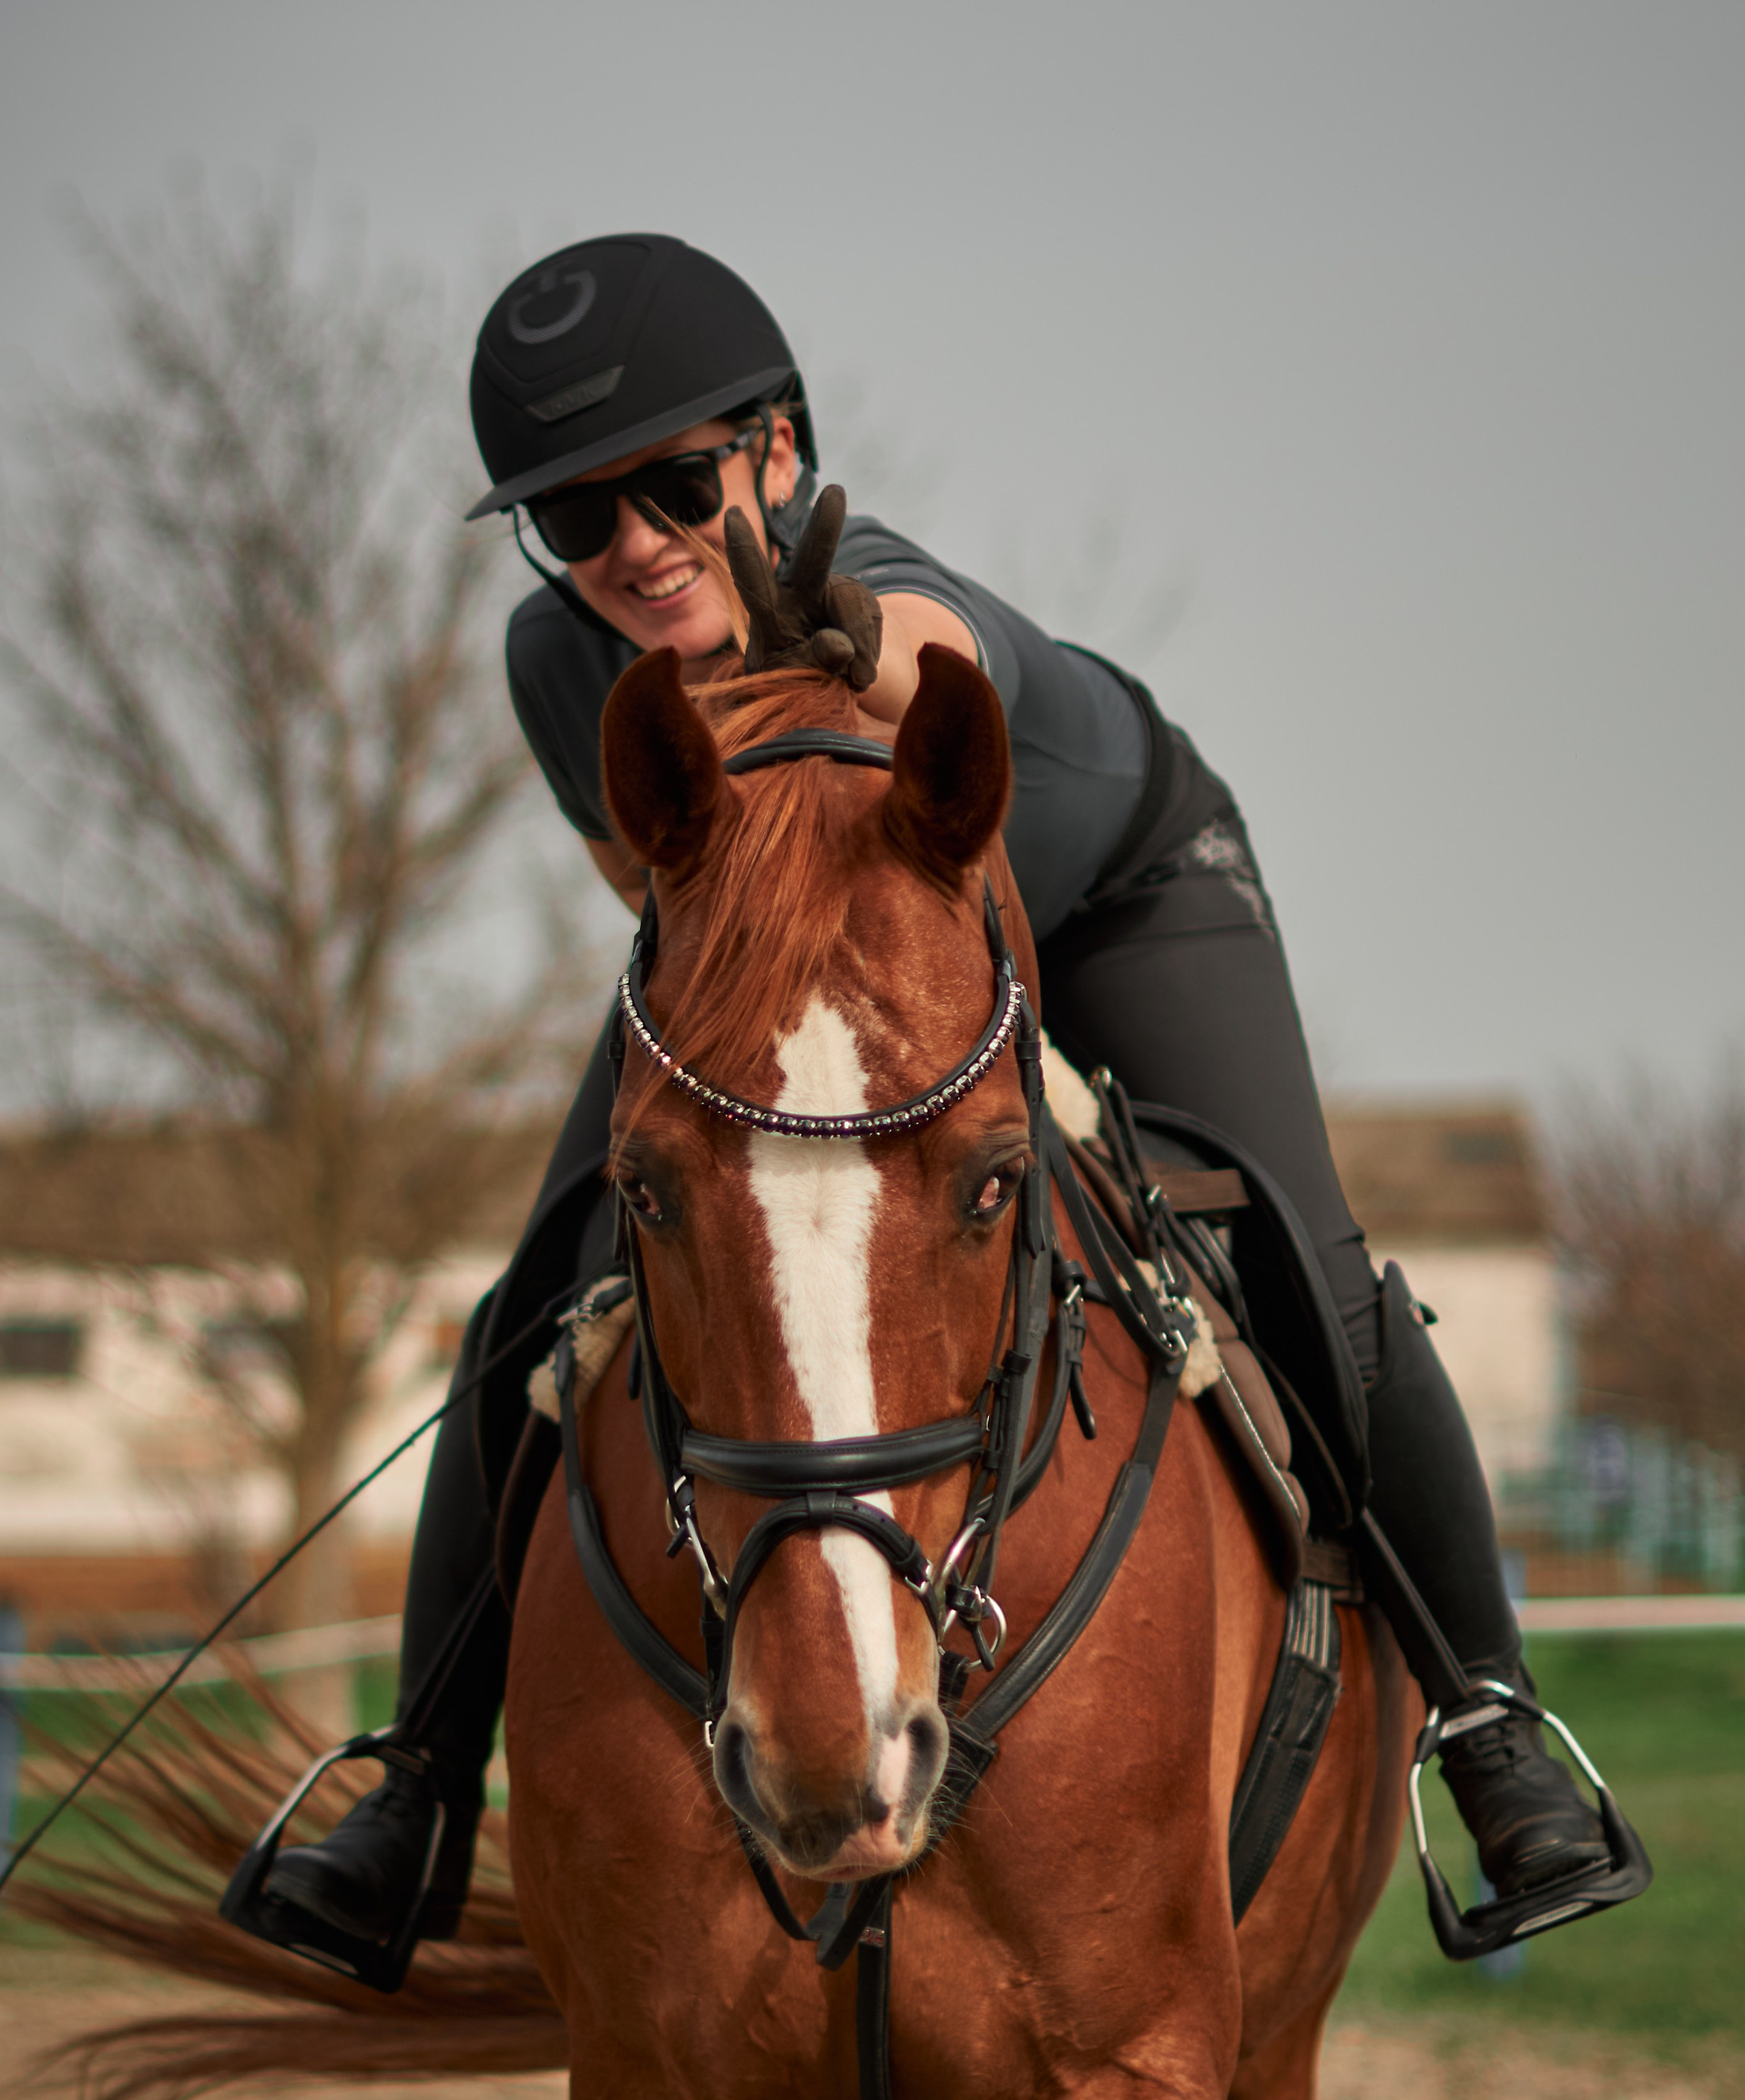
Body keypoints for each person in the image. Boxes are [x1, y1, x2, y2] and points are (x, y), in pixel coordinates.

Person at [239, 232, 1608, 1962]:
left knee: (1299, 1260)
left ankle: (1490, 1729)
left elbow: (949, 669)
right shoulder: (554, 663)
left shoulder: (874, 583)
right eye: (574, 520)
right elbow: (666, 896)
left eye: (672, 486)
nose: (635, 549)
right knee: (537, 1290)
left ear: (778, 454)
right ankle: (418, 1786)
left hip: (1117, 889)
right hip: (829, 942)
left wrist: (858, 646)